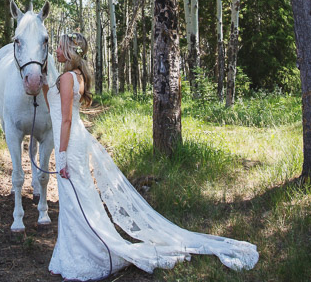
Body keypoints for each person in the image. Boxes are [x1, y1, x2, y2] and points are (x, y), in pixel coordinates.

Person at [42, 32, 259, 281]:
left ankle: (95, 255)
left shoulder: (69, 78)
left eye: (58, 48)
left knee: (75, 200)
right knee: (74, 199)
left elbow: (66, 119)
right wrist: (46, 87)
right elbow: (56, 112)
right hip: (71, 141)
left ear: (69, 52)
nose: (55, 52)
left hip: (69, 144)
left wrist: (61, 155)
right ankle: (69, 254)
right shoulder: (72, 76)